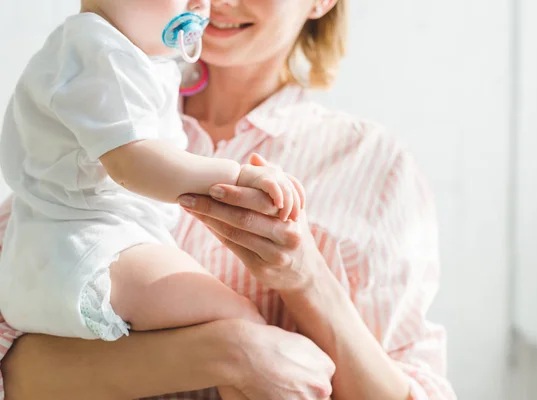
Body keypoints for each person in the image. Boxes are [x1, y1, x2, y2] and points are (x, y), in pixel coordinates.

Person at [0, 0, 457, 399]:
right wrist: (230, 354)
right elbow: (13, 372)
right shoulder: (95, 115)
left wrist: (307, 278)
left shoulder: (373, 166)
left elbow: (406, 390)